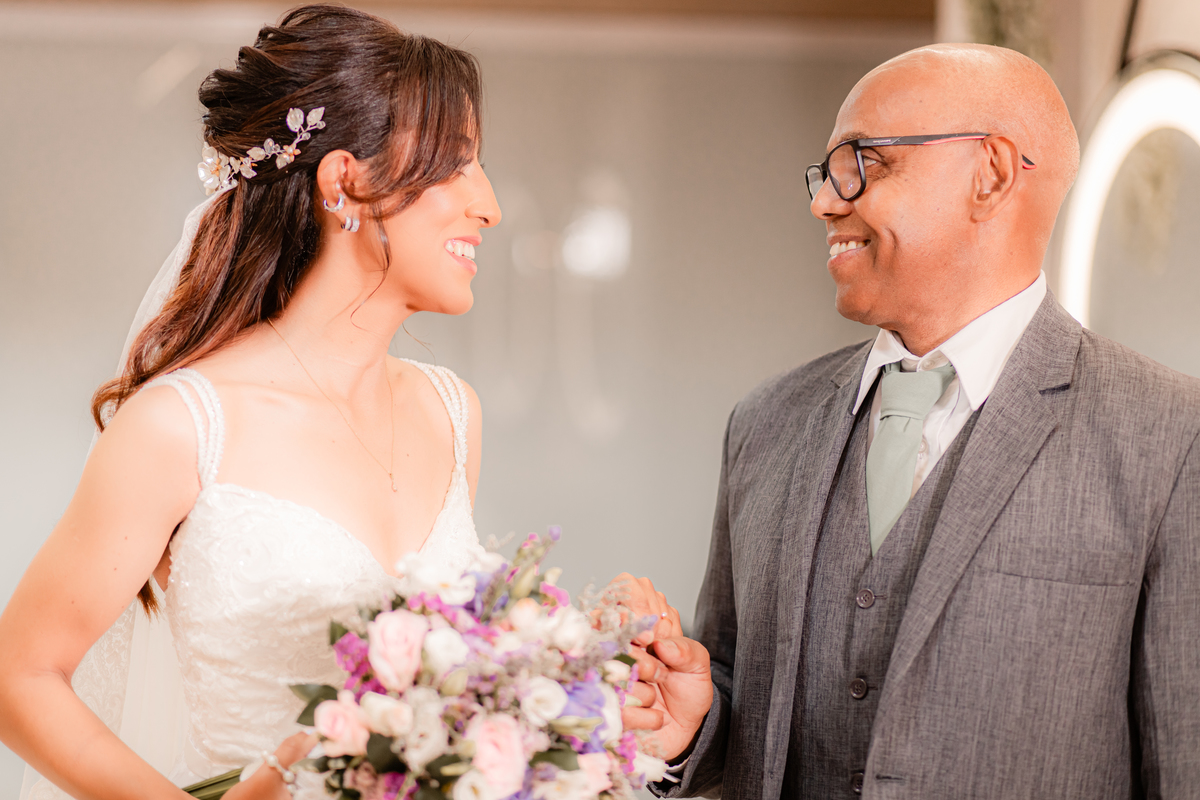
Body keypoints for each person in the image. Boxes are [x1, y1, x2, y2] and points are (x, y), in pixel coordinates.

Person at [625, 43, 1200, 799]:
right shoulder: (765, 422)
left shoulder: (1169, 435)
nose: (825, 201)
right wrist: (695, 726)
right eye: (827, 172)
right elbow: (743, 702)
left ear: (991, 174)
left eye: (866, 162)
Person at [0, 6, 502, 799]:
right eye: (455, 166)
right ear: (347, 181)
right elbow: (19, 678)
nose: (489, 205)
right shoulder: (182, 426)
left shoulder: (454, 412)